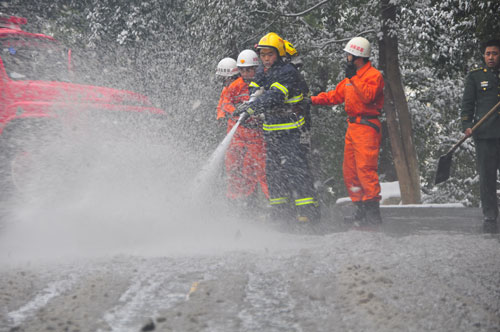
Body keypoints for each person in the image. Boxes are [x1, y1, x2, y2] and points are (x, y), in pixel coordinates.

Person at [235, 32, 320, 224]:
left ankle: (307, 213)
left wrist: (253, 106)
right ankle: (281, 214)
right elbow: (255, 88)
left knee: (295, 169)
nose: (265, 58)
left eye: (269, 55)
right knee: (274, 174)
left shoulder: (288, 72)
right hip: (272, 131)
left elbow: (275, 96)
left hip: (291, 131)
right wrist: (251, 100)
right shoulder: (263, 71)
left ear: (279, 54)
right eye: (263, 55)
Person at [310, 36, 384, 224]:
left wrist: (354, 78)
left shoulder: (373, 76)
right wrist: (311, 100)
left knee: (365, 169)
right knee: (350, 171)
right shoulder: (351, 79)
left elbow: (368, 96)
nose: (346, 58)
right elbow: (334, 96)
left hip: (367, 126)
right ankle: (360, 208)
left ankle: (372, 213)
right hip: (353, 127)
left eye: (349, 55)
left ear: (358, 56)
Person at [218, 50, 269, 212]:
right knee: (234, 167)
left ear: (256, 68)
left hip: (256, 135)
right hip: (238, 133)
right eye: (243, 70)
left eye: (249, 69)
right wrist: (235, 110)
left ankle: (272, 204)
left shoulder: (263, 84)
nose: (246, 73)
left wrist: (261, 114)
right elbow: (225, 103)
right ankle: (236, 203)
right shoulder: (235, 86)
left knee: (261, 170)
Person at [461, 39, 500, 230]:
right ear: (484, 56)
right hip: (485, 134)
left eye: (495, 53)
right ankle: (490, 214)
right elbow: (467, 104)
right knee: (487, 176)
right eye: (488, 54)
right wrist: (467, 125)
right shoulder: (475, 77)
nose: (491, 57)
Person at [216, 57, 239, 121]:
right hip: (232, 125)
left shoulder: (242, 88)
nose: (225, 82)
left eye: (226, 79)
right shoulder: (226, 89)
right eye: (222, 79)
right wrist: (221, 116)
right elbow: (221, 105)